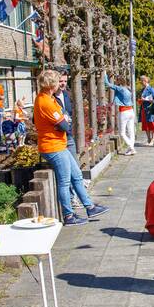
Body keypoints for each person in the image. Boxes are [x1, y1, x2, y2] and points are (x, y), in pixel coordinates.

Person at [33, 70, 109, 226]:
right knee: (64, 181)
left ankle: (90, 207)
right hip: (53, 146)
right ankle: (68, 215)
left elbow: (63, 120)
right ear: (51, 85)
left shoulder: (48, 98)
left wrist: (63, 121)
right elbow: (64, 125)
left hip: (60, 144)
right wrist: (64, 121)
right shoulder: (46, 102)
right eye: (57, 82)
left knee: (77, 175)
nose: (59, 84)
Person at [104, 73, 137, 155]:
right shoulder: (128, 88)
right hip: (131, 111)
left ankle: (132, 148)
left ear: (119, 81)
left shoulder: (120, 88)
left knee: (122, 133)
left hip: (124, 112)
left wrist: (105, 74)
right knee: (131, 132)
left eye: (116, 80)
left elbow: (107, 84)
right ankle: (131, 149)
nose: (115, 81)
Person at [54, 73, 76, 156]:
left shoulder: (67, 94)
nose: (63, 83)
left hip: (68, 134)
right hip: (57, 137)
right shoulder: (50, 98)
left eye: (65, 81)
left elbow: (70, 113)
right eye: (60, 81)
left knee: (74, 161)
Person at [140, 76, 154, 146]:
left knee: (152, 123)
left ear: (145, 81)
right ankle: (149, 139)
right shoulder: (143, 89)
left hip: (150, 109)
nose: (141, 82)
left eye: (142, 81)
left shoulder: (151, 89)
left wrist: (148, 99)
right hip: (144, 108)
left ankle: (153, 139)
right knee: (146, 124)